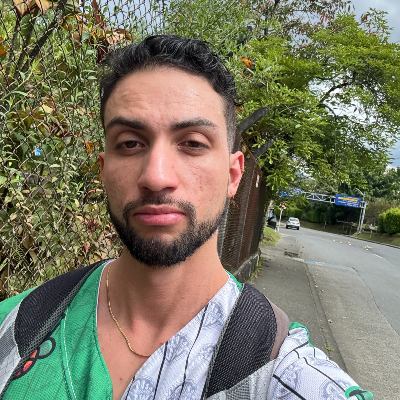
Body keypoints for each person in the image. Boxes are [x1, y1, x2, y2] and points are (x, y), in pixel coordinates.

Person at [0, 35, 373, 400]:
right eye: (130, 143)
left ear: (233, 176)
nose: (156, 176)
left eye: (193, 143)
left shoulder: (285, 375)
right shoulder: (14, 327)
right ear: (103, 171)